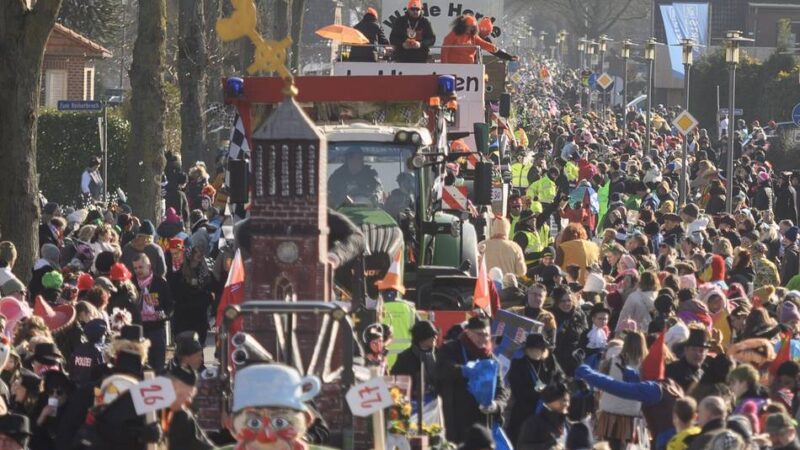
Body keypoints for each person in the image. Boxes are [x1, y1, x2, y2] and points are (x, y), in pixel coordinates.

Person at [437, 316, 508, 443]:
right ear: (468, 333)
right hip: (456, 421)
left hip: (483, 423)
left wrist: (496, 405)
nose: (485, 339)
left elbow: (502, 391)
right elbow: (442, 370)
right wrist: (464, 370)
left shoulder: (491, 358)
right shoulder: (451, 349)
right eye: (480, 334)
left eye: (487, 335)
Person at [507, 333, 563, 442]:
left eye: (541, 348)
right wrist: (540, 393)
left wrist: (552, 392)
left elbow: (560, 379)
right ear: (527, 349)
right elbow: (518, 390)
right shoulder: (518, 364)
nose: (538, 351)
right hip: (523, 413)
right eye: (534, 348)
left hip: (546, 413)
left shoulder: (550, 362)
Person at [131, 253, 173, 372]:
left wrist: (164, 314)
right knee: (139, 366)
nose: (138, 270)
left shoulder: (160, 282)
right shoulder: (131, 283)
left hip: (157, 329)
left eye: (141, 267)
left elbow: (170, 305)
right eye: (135, 268)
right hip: (139, 330)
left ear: (149, 267)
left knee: (158, 366)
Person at [515, 379, 570, 450]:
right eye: (563, 400)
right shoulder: (533, 423)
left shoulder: (566, 424)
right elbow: (522, 447)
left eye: (568, 401)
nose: (567, 404)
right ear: (551, 402)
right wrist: (549, 448)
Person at [440, 15, 515, 65]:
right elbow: (445, 50)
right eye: (468, 27)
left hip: (469, 67)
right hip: (453, 65)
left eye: (472, 27)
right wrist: (445, 66)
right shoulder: (454, 35)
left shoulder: (474, 37)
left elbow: (485, 44)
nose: (470, 29)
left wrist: (495, 48)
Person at [391, 320, 438, 397]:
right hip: (412, 403)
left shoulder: (440, 355)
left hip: (436, 403)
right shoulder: (405, 358)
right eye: (431, 334)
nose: (435, 337)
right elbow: (396, 382)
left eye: (435, 334)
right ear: (421, 337)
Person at [665, 327, 710, 392]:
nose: (697, 354)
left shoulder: (708, 371)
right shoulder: (672, 370)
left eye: (701, 350)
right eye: (694, 349)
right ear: (686, 350)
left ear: (706, 353)